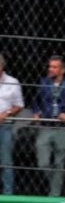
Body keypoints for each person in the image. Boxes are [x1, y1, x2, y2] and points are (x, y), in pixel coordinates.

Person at [34, 55, 65, 197]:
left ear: (63, 70)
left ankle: (55, 194)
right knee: (43, 163)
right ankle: (54, 182)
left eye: (55, 67)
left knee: (59, 163)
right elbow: (36, 101)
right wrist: (36, 112)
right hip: (46, 125)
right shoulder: (43, 83)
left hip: (62, 127)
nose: (51, 69)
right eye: (50, 66)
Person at [0, 54, 24, 195]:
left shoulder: (13, 82)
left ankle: (8, 194)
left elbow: (19, 104)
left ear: (1, 67)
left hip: (5, 125)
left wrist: (6, 113)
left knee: (6, 162)